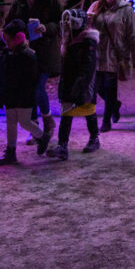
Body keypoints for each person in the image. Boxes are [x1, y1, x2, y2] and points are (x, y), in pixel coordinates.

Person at [2, 0, 63, 145]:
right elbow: (10, 21)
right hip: (25, 52)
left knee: (37, 88)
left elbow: (58, 22)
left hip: (45, 51)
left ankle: (48, 120)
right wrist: (5, 41)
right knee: (28, 90)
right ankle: (35, 129)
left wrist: (46, 28)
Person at [88, 0, 135, 133]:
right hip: (98, 55)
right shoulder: (96, 6)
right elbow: (86, 26)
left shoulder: (126, 10)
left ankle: (106, 121)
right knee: (95, 89)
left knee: (110, 87)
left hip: (115, 56)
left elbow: (133, 35)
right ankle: (114, 104)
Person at [0, 19, 52, 165]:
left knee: (24, 121)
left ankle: (42, 136)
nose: (6, 43)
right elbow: (1, 74)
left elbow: (30, 79)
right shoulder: (7, 55)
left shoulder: (28, 56)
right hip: (10, 95)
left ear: (18, 38)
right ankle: (11, 151)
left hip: (23, 96)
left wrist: (26, 94)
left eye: (8, 39)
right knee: (11, 122)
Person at [53, 8, 100, 160]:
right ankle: (62, 146)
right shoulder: (70, 40)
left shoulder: (87, 42)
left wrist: (80, 87)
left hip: (83, 84)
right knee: (67, 113)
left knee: (88, 111)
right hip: (70, 82)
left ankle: (94, 138)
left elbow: (88, 67)